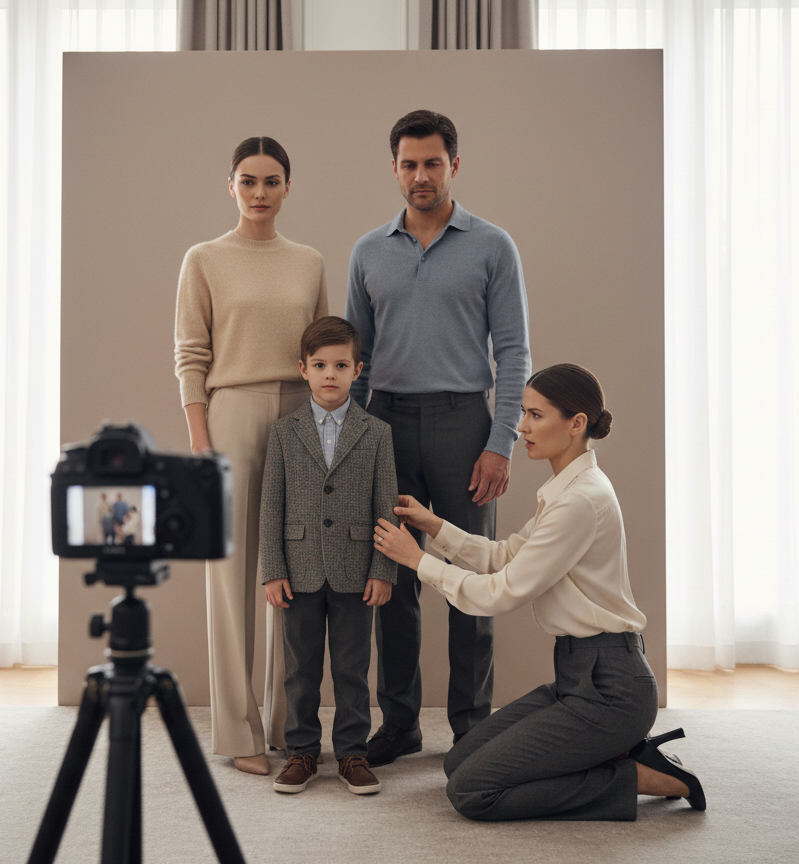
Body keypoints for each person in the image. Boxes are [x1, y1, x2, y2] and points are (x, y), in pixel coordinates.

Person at [372, 364, 706, 820]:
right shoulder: (565, 490)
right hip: (578, 677)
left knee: (471, 792)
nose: (522, 427)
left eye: (535, 415)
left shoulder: (579, 502)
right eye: (524, 413)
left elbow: (497, 594)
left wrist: (418, 560)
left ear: (576, 423)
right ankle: (613, 754)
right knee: (458, 763)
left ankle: (635, 777)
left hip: (611, 689)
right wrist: (435, 527)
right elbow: (506, 555)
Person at [346, 109, 531, 763]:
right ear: (393, 168)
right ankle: (399, 724)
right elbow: (355, 358)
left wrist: (501, 440)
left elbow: (514, 352)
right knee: (394, 581)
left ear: (455, 165)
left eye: (432, 163)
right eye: (408, 164)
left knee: (472, 579)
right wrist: (352, 445)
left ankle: (472, 725)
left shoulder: (492, 246)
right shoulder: (368, 252)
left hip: (464, 425)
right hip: (386, 425)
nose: (420, 175)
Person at [175, 136, 329, 775]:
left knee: (292, 570)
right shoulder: (204, 259)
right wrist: (201, 440)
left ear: (288, 187)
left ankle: (288, 725)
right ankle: (238, 733)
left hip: (301, 412)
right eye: (247, 181)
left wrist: (328, 430)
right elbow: (190, 355)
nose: (259, 192)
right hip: (231, 410)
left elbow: (324, 354)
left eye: (271, 181)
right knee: (232, 571)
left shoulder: (310, 261)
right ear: (230, 186)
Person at [259, 316, 399, 796]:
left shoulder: (377, 433)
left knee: (352, 667)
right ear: (303, 369)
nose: (330, 373)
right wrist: (272, 570)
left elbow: (387, 507)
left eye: (341, 364)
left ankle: (352, 753)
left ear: (357, 369)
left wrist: (384, 569)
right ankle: (301, 751)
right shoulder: (283, 433)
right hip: (297, 572)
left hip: (356, 571)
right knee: (300, 668)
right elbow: (270, 507)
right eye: (320, 364)